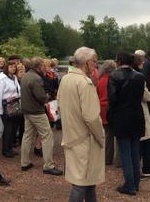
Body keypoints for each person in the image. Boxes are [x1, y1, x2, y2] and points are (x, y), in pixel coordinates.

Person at [58, 47, 104, 202]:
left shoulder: (65, 78)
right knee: (81, 183)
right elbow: (91, 117)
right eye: (95, 62)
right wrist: (101, 137)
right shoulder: (85, 83)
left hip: (71, 136)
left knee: (88, 181)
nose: (96, 65)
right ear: (88, 62)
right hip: (85, 139)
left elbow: (60, 104)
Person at [108, 52, 145, 196]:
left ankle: (129, 185)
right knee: (135, 151)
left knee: (125, 153)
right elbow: (140, 95)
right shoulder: (140, 76)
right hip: (137, 115)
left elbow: (112, 99)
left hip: (122, 117)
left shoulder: (114, 76)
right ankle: (135, 183)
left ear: (118, 61)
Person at [20, 57, 63, 176]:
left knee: (27, 136)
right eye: (43, 66)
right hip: (36, 111)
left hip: (27, 111)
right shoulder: (36, 78)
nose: (44, 67)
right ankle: (48, 165)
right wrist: (47, 96)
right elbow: (40, 96)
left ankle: (25, 162)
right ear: (39, 67)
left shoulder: (26, 75)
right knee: (47, 136)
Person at [132, 55, 150, 178]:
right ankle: (144, 168)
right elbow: (147, 96)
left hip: (131, 112)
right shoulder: (138, 77)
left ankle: (143, 168)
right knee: (143, 141)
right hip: (140, 110)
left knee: (141, 141)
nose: (143, 64)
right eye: (141, 62)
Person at [0, 60, 22, 158]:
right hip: (6, 107)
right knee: (8, 129)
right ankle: (6, 150)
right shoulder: (1, 79)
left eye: (14, 67)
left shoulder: (14, 77)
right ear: (7, 68)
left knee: (14, 128)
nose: (13, 68)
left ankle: (10, 148)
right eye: (11, 67)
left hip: (15, 106)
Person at [96, 60, 117, 165]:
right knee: (112, 135)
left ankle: (106, 157)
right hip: (110, 108)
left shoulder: (99, 80)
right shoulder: (112, 80)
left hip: (101, 108)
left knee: (106, 134)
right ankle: (111, 159)